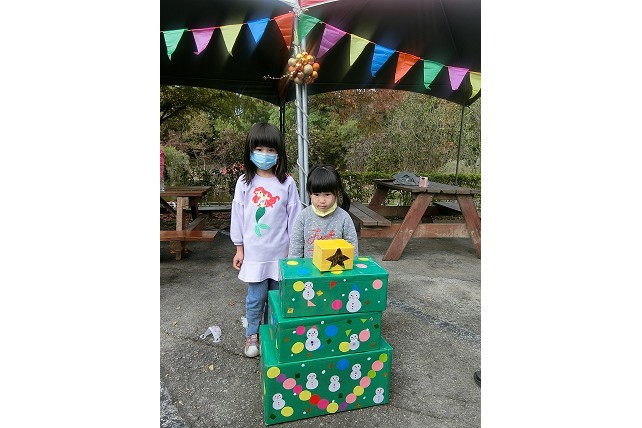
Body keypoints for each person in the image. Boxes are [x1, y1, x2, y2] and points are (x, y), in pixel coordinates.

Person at [230, 123, 302, 358]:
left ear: (279, 152)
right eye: (259, 149)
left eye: (271, 150)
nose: (265, 154)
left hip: (281, 255)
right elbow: (238, 216)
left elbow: (295, 219)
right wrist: (239, 248)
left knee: (276, 299)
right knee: (256, 298)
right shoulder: (244, 183)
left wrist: (295, 254)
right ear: (250, 151)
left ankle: (272, 333)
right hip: (254, 255)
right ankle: (252, 334)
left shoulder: (287, 183)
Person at [288, 164, 359, 259]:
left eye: (327, 194)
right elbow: (295, 247)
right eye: (316, 194)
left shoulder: (344, 217)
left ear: (337, 192)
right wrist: (294, 266)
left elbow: (352, 247)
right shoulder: (303, 216)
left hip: (337, 267)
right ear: (309, 193)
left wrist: (353, 265)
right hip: (309, 268)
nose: (322, 200)